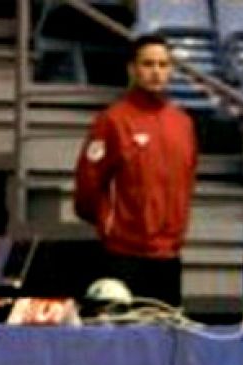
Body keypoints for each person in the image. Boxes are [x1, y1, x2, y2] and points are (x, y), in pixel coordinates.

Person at [74, 34, 196, 306]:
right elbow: (87, 189)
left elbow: (187, 184)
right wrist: (113, 226)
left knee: (166, 341)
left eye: (163, 65)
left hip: (169, 257)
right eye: (148, 64)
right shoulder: (112, 121)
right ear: (132, 69)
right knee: (121, 342)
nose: (156, 72)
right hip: (123, 256)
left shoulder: (183, 123)